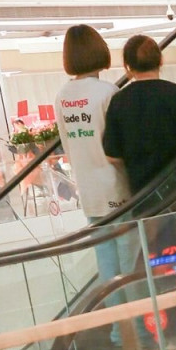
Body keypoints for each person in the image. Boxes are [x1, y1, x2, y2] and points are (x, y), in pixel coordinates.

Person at [101, 35, 176, 198]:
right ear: (160, 61)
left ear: (127, 66)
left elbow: (113, 157)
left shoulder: (119, 101)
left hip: (145, 197)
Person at [55, 26, 128, 246]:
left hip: (87, 188)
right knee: (129, 251)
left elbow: (67, 144)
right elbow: (120, 143)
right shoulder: (108, 92)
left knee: (104, 252)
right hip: (116, 185)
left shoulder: (62, 96)